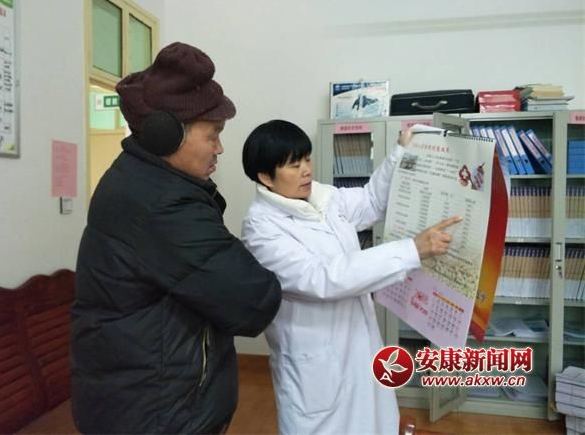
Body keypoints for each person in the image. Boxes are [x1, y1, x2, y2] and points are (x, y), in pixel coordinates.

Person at [71, 42, 282, 435]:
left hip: (147, 403)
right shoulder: (162, 204)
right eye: (213, 135)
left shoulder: (141, 181)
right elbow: (253, 301)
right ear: (165, 134)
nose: (220, 148)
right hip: (153, 414)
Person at [241, 120, 462, 435]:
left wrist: (401, 152)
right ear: (265, 177)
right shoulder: (261, 228)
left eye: (307, 159)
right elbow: (322, 278)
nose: (307, 170)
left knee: (373, 422)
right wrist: (411, 250)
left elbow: (372, 201)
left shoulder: (325, 198)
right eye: (294, 165)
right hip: (317, 361)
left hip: (358, 342)